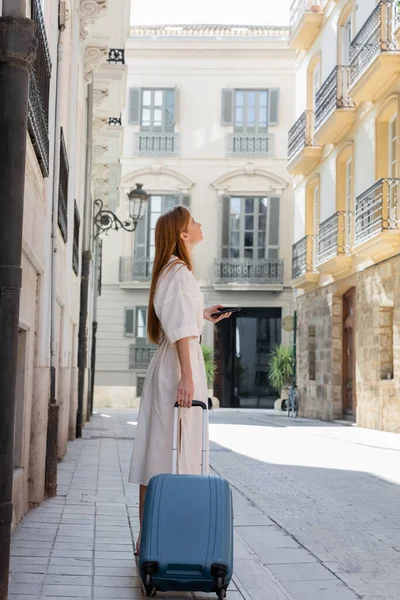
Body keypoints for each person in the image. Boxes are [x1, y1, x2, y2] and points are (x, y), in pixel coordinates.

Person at [128, 205, 231, 556]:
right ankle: (159, 544)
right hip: (177, 369)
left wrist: (201, 315)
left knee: (157, 454)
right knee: (171, 454)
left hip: (171, 365)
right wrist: (188, 377)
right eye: (194, 222)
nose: (200, 224)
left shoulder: (170, 273)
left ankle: (151, 542)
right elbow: (182, 332)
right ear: (183, 235)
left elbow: (181, 321)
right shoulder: (181, 274)